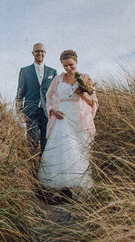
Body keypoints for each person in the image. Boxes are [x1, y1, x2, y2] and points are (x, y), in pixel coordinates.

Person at [39, 49, 98, 192]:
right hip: (62, 116)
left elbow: (93, 100)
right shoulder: (58, 79)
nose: (68, 68)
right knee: (63, 147)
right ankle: (60, 184)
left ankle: (78, 184)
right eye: (65, 66)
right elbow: (49, 98)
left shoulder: (84, 78)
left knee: (79, 148)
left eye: (71, 65)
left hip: (79, 117)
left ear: (76, 62)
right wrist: (53, 111)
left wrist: (83, 95)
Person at [16, 43, 57, 155]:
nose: (40, 53)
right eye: (37, 51)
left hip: (46, 112)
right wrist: (19, 111)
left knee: (46, 141)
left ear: (45, 53)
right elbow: (20, 92)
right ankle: (32, 168)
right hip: (31, 111)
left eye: (42, 51)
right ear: (33, 53)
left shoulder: (52, 72)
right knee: (32, 140)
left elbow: (55, 94)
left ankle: (43, 170)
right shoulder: (25, 71)